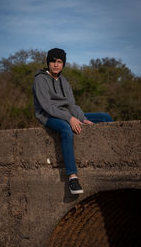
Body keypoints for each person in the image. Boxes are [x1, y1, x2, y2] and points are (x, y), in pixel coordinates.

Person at [32, 48, 113, 194]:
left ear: (63, 64)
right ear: (48, 62)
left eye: (59, 62)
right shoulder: (40, 80)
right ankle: (72, 178)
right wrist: (69, 118)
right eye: (53, 61)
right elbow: (47, 106)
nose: (56, 65)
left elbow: (72, 105)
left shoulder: (64, 82)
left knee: (105, 117)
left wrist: (82, 118)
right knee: (66, 129)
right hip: (48, 116)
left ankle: (114, 157)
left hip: (68, 114)